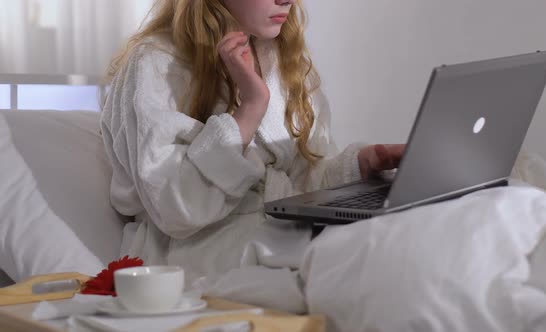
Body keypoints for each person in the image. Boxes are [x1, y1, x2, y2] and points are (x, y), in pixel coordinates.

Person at [100, 0, 405, 285]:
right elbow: (175, 209)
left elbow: (301, 184)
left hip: (277, 231)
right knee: (371, 261)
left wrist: (358, 167)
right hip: (195, 253)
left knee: (403, 236)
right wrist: (250, 109)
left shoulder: (279, 58)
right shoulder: (157, 63)